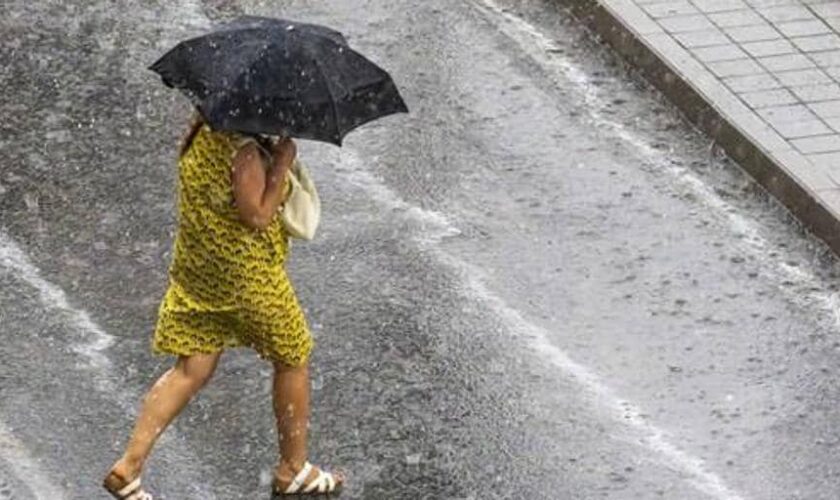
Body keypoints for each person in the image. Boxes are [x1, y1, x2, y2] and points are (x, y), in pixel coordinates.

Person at [102, 112, 344, 498]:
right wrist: (280, 164)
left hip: (200, 269)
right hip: (245, 276)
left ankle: (128, 467)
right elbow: (257, 216)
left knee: (191, 368)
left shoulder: (200, 132)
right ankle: (294, 469)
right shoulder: (243, 150)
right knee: (293, 356)